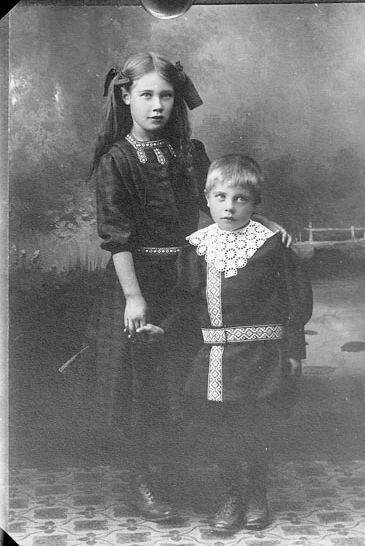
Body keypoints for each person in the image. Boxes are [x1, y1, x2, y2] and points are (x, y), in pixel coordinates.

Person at [82, 52, 291, 523]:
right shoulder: (117, 160)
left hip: (189, 278)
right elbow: (116, 237)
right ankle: (143, 483)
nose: (157, 105)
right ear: (125, 97)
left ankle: (205, 481)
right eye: (146, 95)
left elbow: (220, 200)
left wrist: (262, 222)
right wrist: (134, 298)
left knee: (188, 381)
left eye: (166, 95)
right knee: (141, 386)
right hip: (136, 282)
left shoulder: (188, 152)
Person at [137, 154, 313, 533]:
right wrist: (164, 329)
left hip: (263, 353)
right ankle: (231, 495)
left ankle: (257, 494)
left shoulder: (271, 246)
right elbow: (185, 303)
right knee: (221, 428)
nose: (229, 207)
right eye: (221, 197)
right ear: (207, 199)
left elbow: (294, 301)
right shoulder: (196, 249)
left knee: (257, 426)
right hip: (216, 356)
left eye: (240, 199)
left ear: (255, 204)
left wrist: (294, 350)